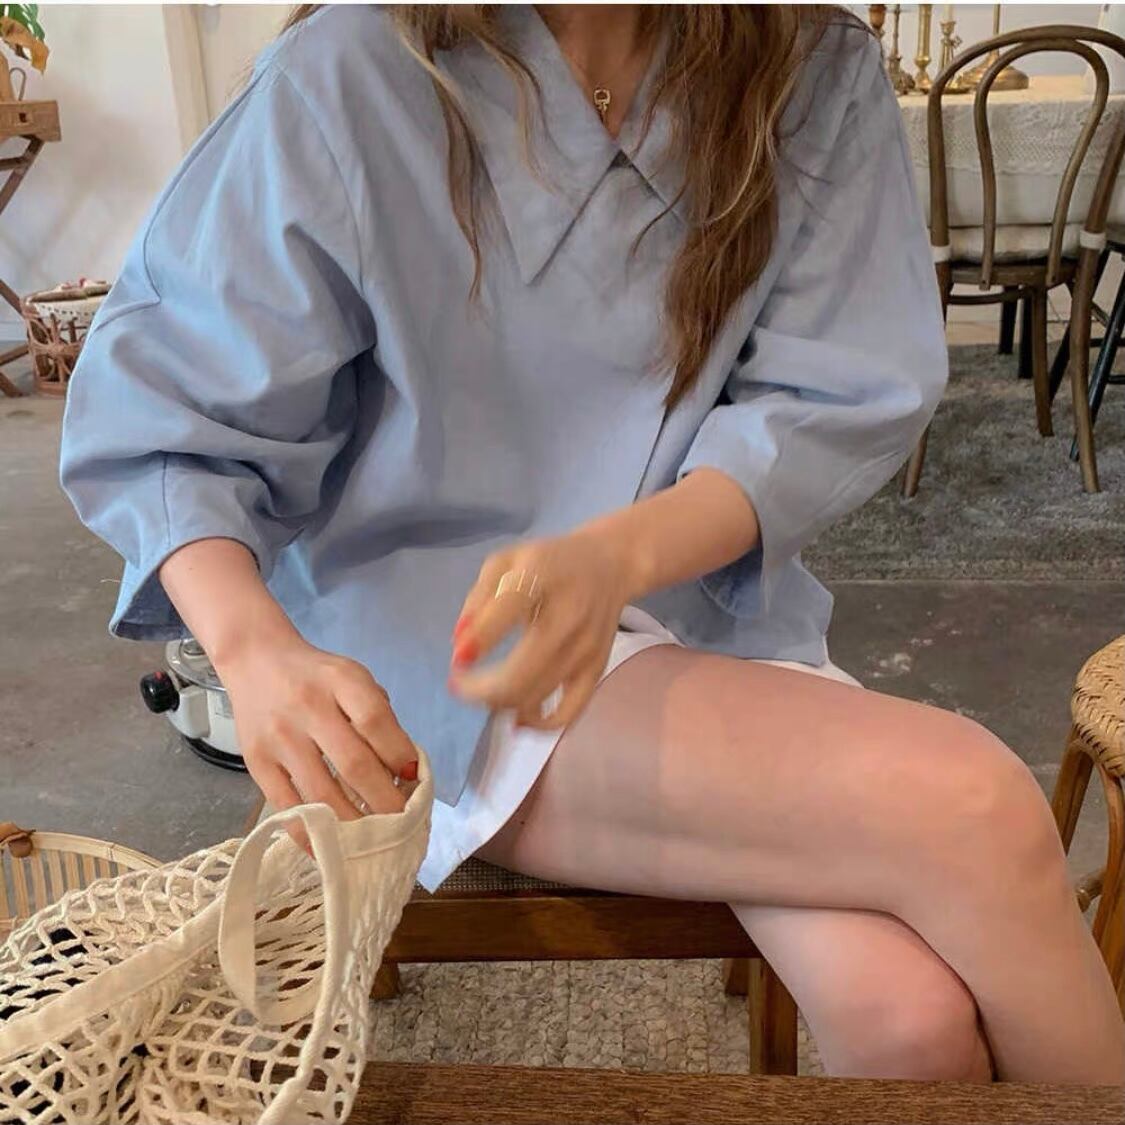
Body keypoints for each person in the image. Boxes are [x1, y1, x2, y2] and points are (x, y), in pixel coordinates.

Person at [60, 4, 1124, 1083]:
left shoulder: (808, 64)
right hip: (451, 649)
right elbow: (170, 409)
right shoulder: (352, 70)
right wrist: (254, 652)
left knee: (908, 1020)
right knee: (978, 810)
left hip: (708, 610)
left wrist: (619, 557)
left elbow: (826, 398)